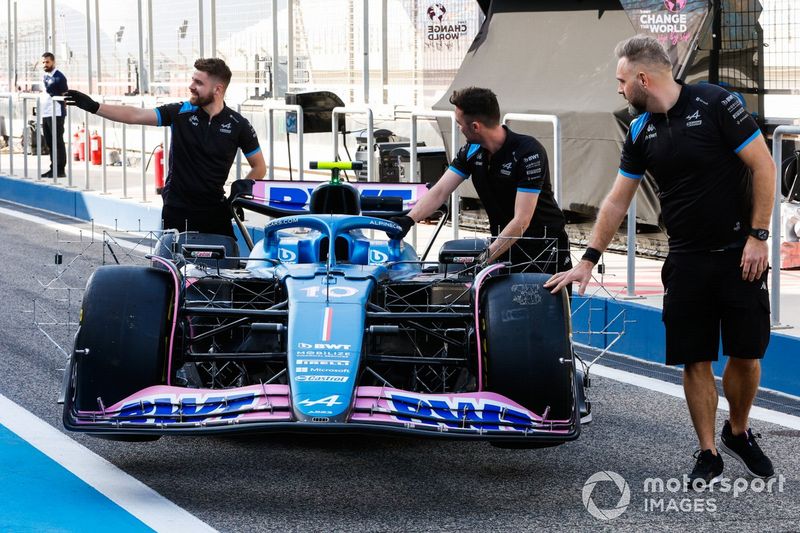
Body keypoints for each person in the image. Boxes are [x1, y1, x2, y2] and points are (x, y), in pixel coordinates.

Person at [544, 35, 777, 484]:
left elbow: (763, 166)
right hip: (686, 258)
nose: (619, 89)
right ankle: (708, 451)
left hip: (738, 252)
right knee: (696, 358)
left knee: (747, 355)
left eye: (621, 80)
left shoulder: (716, 104)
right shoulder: (639, 129)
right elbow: (616, 201)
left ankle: (739, 431)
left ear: (643, 78)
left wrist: (758, 236)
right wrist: (587, 260)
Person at [64, 58, 266, 237]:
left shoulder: (238, 124)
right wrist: (94, 106)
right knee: (172, 273)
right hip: (177, 208)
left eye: (198, 82)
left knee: (224, 271)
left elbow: (259, 167)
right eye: (192, 80)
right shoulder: (180, 112)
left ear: (218, 89)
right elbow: (136, 115)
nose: (191, 86)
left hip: (216, 210)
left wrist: (238, 194)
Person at [391, 87, 572, 275]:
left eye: (460, 123)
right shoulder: (471, 150)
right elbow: (440, 191)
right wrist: (408, 219)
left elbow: (521, 220)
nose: (459, 129)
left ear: (476, 127)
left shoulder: (528, 152)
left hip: (545, 250)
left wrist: (484, 259)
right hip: (504, 246)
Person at [41, 52, 68, 178]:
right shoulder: (45, 76)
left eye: (47, 62)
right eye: (43, 62)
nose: (45, 64)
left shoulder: (59, 77)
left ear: (53, 62)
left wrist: (62, 111)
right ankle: (53, 168)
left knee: (57, 141)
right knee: (50, 142)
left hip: (56, 113)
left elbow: (65, 96)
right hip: (46, 112)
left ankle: (60, 169)